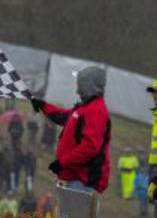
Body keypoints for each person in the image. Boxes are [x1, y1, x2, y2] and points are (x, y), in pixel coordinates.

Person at [31, 65, 111, 195]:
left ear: (89, 85)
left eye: (80, 84)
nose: (77, 90)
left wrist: (63, 162)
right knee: (68, 215)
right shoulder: (86, 108)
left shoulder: (96, 111)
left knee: (74, 215)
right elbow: (63, 116)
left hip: (83, 181)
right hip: (75, 178)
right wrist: (43, 106)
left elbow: (90, 147)